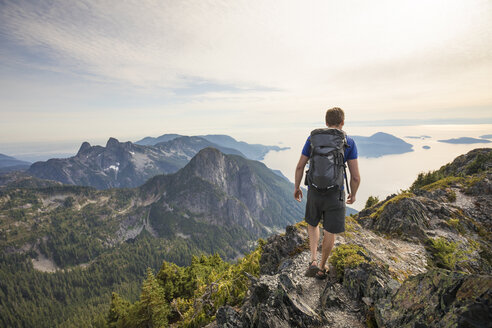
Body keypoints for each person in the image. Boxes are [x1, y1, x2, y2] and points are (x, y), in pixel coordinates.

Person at [294, 107, 360, 279]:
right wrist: (353, 194)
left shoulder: (313, 139)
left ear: (326, 122)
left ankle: (313, 260)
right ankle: (322, 267)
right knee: (329, 231)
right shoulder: (349, 142)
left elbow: (300, 166)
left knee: (313, 224)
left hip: (314, 190)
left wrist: (297, 187)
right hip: (335, 193)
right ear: (342, 122)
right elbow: (356, 177)